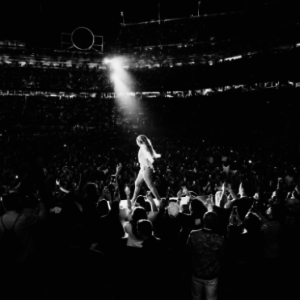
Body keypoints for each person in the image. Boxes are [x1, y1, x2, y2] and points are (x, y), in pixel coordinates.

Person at [187, 212, 224, 300]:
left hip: (196, 273)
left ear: (204, 220)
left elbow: (187, 251)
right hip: (212, 275)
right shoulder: (220, 238)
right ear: (215, 222)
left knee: (196, 297)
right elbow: (222, 256)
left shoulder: (193, 234)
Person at [131, 135, 161, 204]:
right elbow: (153, 154)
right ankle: (133, 199)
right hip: (143, 168)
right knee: (137, 183)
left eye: (137, 141)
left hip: (146, 168)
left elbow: (148, 155)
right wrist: (158, 156)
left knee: (150, 185)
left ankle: (159, 199)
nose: (136, 142)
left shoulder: (143, 147)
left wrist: (152, 160)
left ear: (139, 141)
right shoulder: (145, 147)